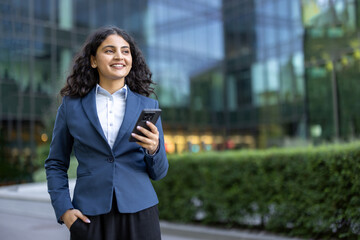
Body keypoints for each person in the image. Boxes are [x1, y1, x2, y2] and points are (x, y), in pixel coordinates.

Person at [45, 26, 169, 240]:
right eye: (109, 50)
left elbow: (159, 173)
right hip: (89, 217)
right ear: (93, 60)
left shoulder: (148, 105)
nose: (119, 56)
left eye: (125, 51)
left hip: (140, 215)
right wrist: (65, 211)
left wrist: (153, 150)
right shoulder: (71, 107)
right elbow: (56, 163)